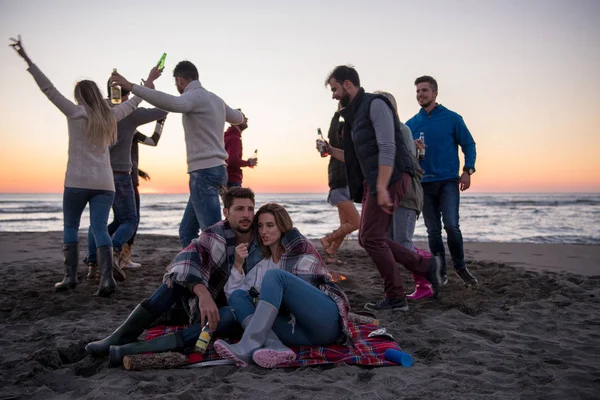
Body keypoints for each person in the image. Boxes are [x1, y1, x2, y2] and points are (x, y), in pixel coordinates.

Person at [9, 36, 156, 297]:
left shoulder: (75, 112)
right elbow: (134, 102)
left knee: (71, 227)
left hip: (76, 181)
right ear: (98, 94)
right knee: (99, 228)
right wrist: (149, 82)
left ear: (79, 96)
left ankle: (69, 277)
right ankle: (107, 279)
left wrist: (28, 60)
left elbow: (48, 89)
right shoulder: (111, 115)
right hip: (105, 183)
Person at [85, 187, 264, 366]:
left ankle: (131, 350)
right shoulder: (215, 234)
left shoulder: (262, 238)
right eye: (239, 209)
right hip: (210, 300)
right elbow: (185, 258)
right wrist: (203, 294)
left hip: (237, 309)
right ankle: (122, 336)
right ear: (226, 212)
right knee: (176, 281)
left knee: (227, 315)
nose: (246, 215)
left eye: (250, 209)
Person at [323, 65, 443, 311]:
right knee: (369, 238)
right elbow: (356, 158)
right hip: (375, 181)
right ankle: (425, 267)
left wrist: (382, 185)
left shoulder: (375, 104)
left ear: (348, 84)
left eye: (335, 89)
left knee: (372, 238)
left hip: (390, 178)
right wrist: (330, 151)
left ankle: (397, 296)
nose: (334, 95)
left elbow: (388, 147)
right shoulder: (355, 116)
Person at [110, 61, 245, 248]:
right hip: (217, 171)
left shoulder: (193, 97)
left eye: (176, 83)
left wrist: (132, 87)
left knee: (213, 235)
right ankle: (193, 270)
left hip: (203, 172)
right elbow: (238, 118)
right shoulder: (215, 99)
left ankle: (223, 274)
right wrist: (233, 114)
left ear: (180, 80)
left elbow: (172, 103)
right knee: (186, 231)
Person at [214, 203, 352, 368]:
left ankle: (247, 345)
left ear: (282, 226)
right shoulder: (262, 266)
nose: (263, 231)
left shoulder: (300, 253)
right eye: (260, 226)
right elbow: (234, 296)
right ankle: (275, 346)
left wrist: (269, 296)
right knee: (238, 296)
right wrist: (238, 263)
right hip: (298, 332)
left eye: (270, 225)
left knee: (275, 277)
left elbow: (311, 292)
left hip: (325, 322)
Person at [85, 82, 168, 281]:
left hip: (98, 174)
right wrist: (148, 92)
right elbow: (163, 111)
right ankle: (116, 254)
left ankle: (93, 264)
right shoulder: (129, 116)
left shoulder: (99, 113)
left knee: (101, 222)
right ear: (128, 95)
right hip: (123, 176)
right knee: (130, 219)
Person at [405, 76, 478, 286]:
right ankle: (441, 273)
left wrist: (468, 170)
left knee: (452, 226)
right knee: (433, 231)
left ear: (435, 93)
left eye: (425, 90)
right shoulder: (410, 125)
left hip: (448, 182)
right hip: (424, 185)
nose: (421, 94)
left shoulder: (453, 118)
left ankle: (460, 266)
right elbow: (403, 154)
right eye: (418, 91)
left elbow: (469, 145)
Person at [374, 91, 433, 300]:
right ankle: (428, 260)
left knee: (402, 242)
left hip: (407, 194)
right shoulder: (384, 132)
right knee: (390, 242)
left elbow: (408, 166)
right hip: (392, 194)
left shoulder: (402, 130)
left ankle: (426, 282)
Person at [319, 106, 360, 265]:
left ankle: (331, 253)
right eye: (346, 131)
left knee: (345, 226)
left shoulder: (351, 150)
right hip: (338, 189)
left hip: (346, 190)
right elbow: (332, 131)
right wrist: (338, 113)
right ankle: (327, 239)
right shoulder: (337, 145)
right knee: (356, 223)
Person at [224, 111, 257, 189]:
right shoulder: (234, 138)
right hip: (232, 179)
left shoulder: (228, 136)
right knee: (235, 201)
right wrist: (249, 163)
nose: (246, 119)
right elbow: (232, 160)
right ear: (236, 120)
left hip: (226, 178)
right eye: (244, 117)